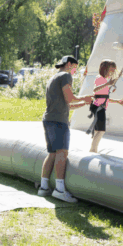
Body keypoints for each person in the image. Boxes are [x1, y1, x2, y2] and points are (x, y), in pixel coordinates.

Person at [39, 56, 92, 203]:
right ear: (69, 64)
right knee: (62, 153)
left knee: (52, 154)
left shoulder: (54, 77)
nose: (75, 70)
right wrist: (86, 97)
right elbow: (71, 98)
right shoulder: (66, 76)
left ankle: (43, 187)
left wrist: (84, 102)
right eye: (75, 67)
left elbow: (68, 104)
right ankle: (60, 189)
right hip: (58, 122)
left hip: (48, 119)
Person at [87, 59, 123, 153]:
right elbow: (95, 90)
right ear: (105, 69)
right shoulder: (99, 78)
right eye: (111, 70)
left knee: (98, 129)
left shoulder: (104, 80)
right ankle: (93, 149)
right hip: (98, 107)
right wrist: (108, 83)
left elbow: (104, 96)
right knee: (101, 130)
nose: (112, 72)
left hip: (99, 106)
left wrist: (117, 101)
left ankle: (93, 148)